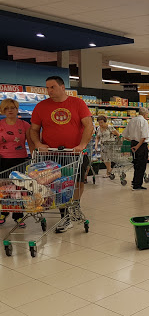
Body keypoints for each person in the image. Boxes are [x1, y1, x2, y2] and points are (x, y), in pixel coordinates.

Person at [30, 75, 94, 233]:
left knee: (78, 182)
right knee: (59, 186)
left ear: (63, 87)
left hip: (75, 153)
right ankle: (65, 216)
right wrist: (38, 144)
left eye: (52, 87)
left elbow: (89, 126)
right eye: (47, 88)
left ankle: (75, 205)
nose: (49, 91)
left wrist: (82, 145)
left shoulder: (77, 103)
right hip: (51, 154)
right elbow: (34, 129)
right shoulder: (41, 106)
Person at [0, 98, 35, 228]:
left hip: (19, 160)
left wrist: (34, 158)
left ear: (17, 109)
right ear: (3, 110)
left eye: (13, 108)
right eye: (7, 108)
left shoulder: (24, 125)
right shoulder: (0, 124)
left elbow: (31, 142)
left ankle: (18, 216)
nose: (10, 110)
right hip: (2, 161)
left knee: (18, 189)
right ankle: (3, 212)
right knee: (4, 189)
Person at [123, 107, 149, 190]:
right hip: (141, 145)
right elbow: (144, 136)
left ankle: (135, 182)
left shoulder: (132, 120)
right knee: (141, 165)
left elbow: (124, 135)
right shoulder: (144, 121)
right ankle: (137, 185)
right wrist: (138, 146)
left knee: (136, 164)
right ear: (145, 114)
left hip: (133, 143)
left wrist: (133, 142)